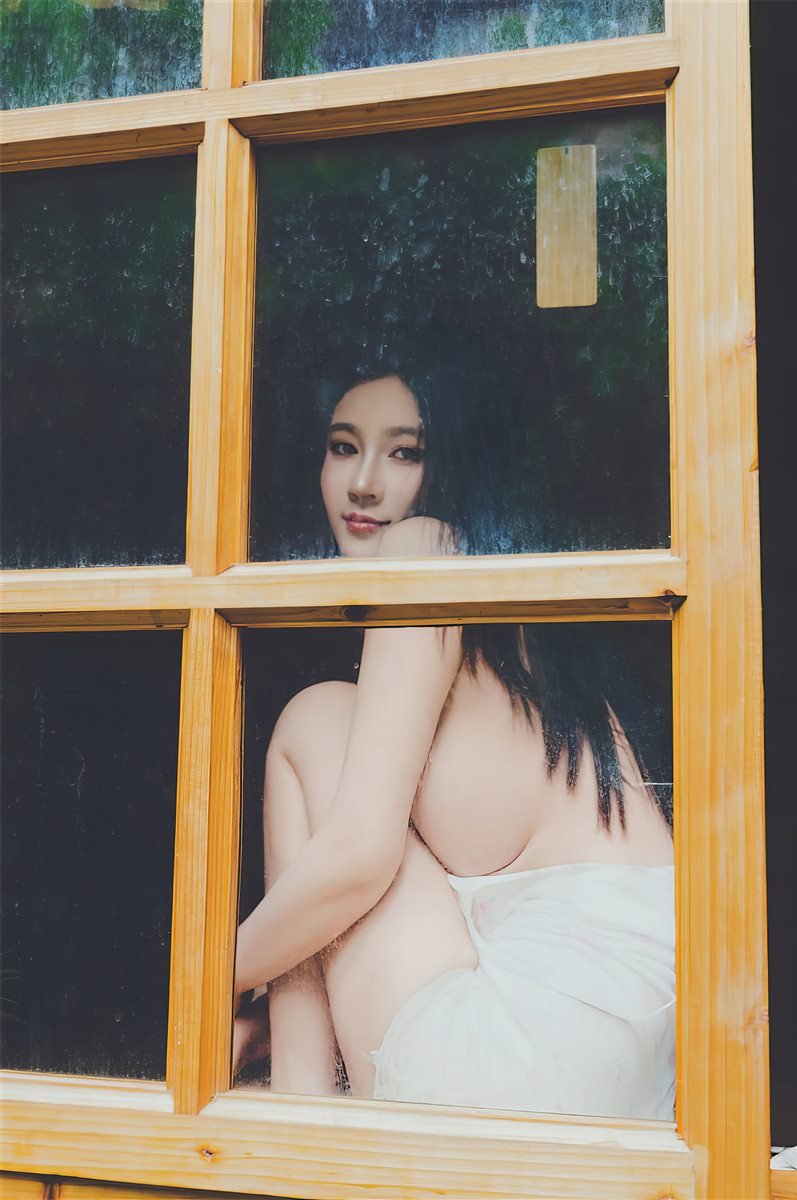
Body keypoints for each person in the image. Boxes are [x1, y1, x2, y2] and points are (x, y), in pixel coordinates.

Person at [234, 371, 675, 1118]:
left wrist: (198, 984)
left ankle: (298, 1102)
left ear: (453, 466)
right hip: (638, 1086)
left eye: (403, 453)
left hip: (524, 1060)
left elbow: (357, 859)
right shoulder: (531, 646)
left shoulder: (424, 550)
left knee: (315, 718)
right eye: (343, 447)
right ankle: (294, 1088)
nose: (364, 483)